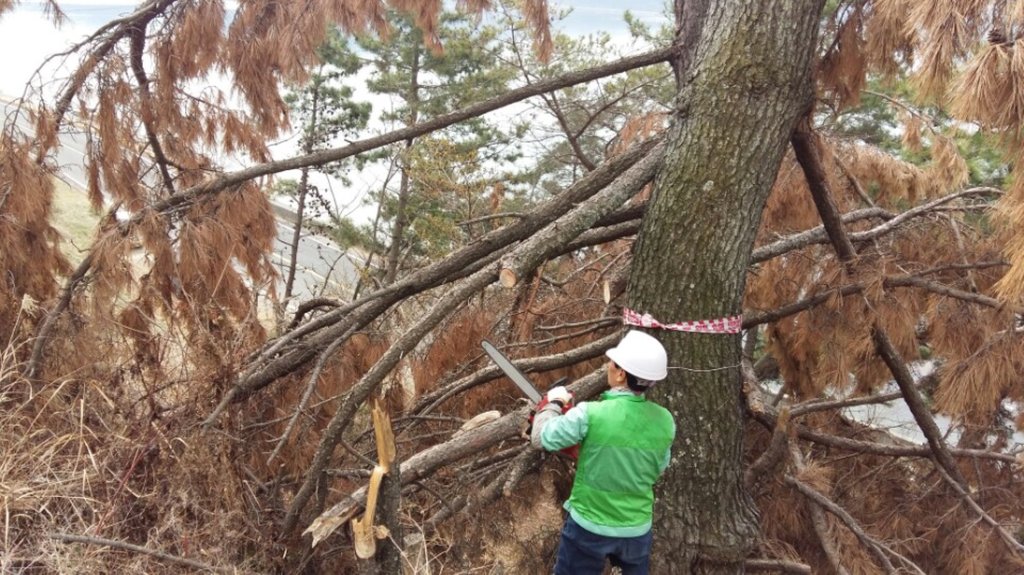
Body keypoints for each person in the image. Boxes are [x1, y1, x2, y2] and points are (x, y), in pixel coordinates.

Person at [531, 329, 676, 575]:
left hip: (589, 527)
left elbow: (540, 437)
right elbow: (657, 467)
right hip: (636, 531)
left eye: (612, 362)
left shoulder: (590, 413)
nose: (607, 365)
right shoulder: (665, 420)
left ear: (621, 373)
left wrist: (553, 404)